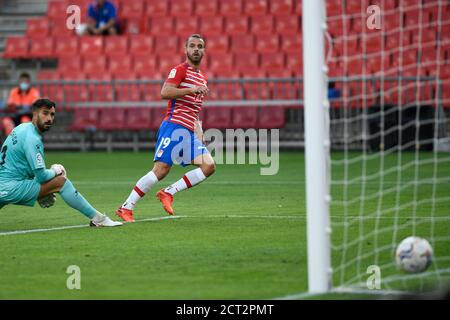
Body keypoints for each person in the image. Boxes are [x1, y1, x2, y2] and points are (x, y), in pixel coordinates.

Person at [115, 34, 215, 222]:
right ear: (185, 49)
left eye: (200, 46)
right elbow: (165, 92)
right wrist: (190, 89)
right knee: (161, 170)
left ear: (204, 51)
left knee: (209, 166)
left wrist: (199, 130)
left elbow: (195, 109)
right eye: (192, 46)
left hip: (190, 131)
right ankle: (126, 207)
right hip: (174, 126)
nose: (196, 49)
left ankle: (168, 193)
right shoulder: (179, 70)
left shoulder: (202, 78)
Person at [0, 98, 122, 227]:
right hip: (10, 187)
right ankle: (99, 219)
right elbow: (41, 176)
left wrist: (42, 193)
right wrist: (56, 171)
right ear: (35, 114)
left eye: (52, 114)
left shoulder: (21, 128)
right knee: (61, 182)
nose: (49, 118)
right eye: (45, 113)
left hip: (5, 183)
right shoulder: (32, 139)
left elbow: (24, 166)